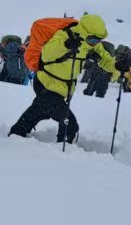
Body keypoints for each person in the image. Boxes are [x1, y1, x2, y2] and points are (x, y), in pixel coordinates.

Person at [9, 13, 113, 144]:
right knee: (70, 124)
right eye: (92, 40)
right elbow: (47, 54)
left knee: (40, 110)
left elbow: (106, 60)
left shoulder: (91, 44)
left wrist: (118, 66)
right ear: (84, 32)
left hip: (62, 88)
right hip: (46, 83)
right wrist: (66, 45)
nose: (95, 43)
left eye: (98, 40)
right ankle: (63, 152)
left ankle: (16, 136)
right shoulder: (64, 36)